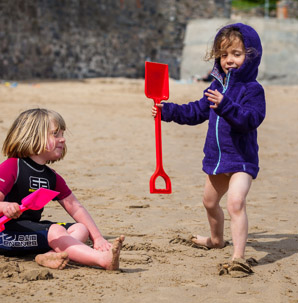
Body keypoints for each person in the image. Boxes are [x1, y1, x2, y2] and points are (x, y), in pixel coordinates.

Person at [152, 23, 265, 274]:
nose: (229, 60)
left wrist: (226, 105)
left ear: (251, 55)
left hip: (242, 160)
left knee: (236, 203)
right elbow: (195, 111)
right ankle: (216, 240)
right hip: (217, 160)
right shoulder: (215, 87)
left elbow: (251, 119)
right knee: (209, 202)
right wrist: (167, 111)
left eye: (236, 54)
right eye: (224, 55)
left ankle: (238, 256)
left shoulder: (253, 90)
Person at [0, 108, 124, 270]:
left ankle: (48, 256)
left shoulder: (51, 176)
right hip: (6, 235)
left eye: (63, 134)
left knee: (80, 228)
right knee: (55, 230)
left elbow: (76, 208)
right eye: (55, 134)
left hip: (32, 230)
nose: (63, 139)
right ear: (33, 136)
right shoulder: (12, 166)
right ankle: (101, 260)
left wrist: (98, 238)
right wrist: (5, 206)